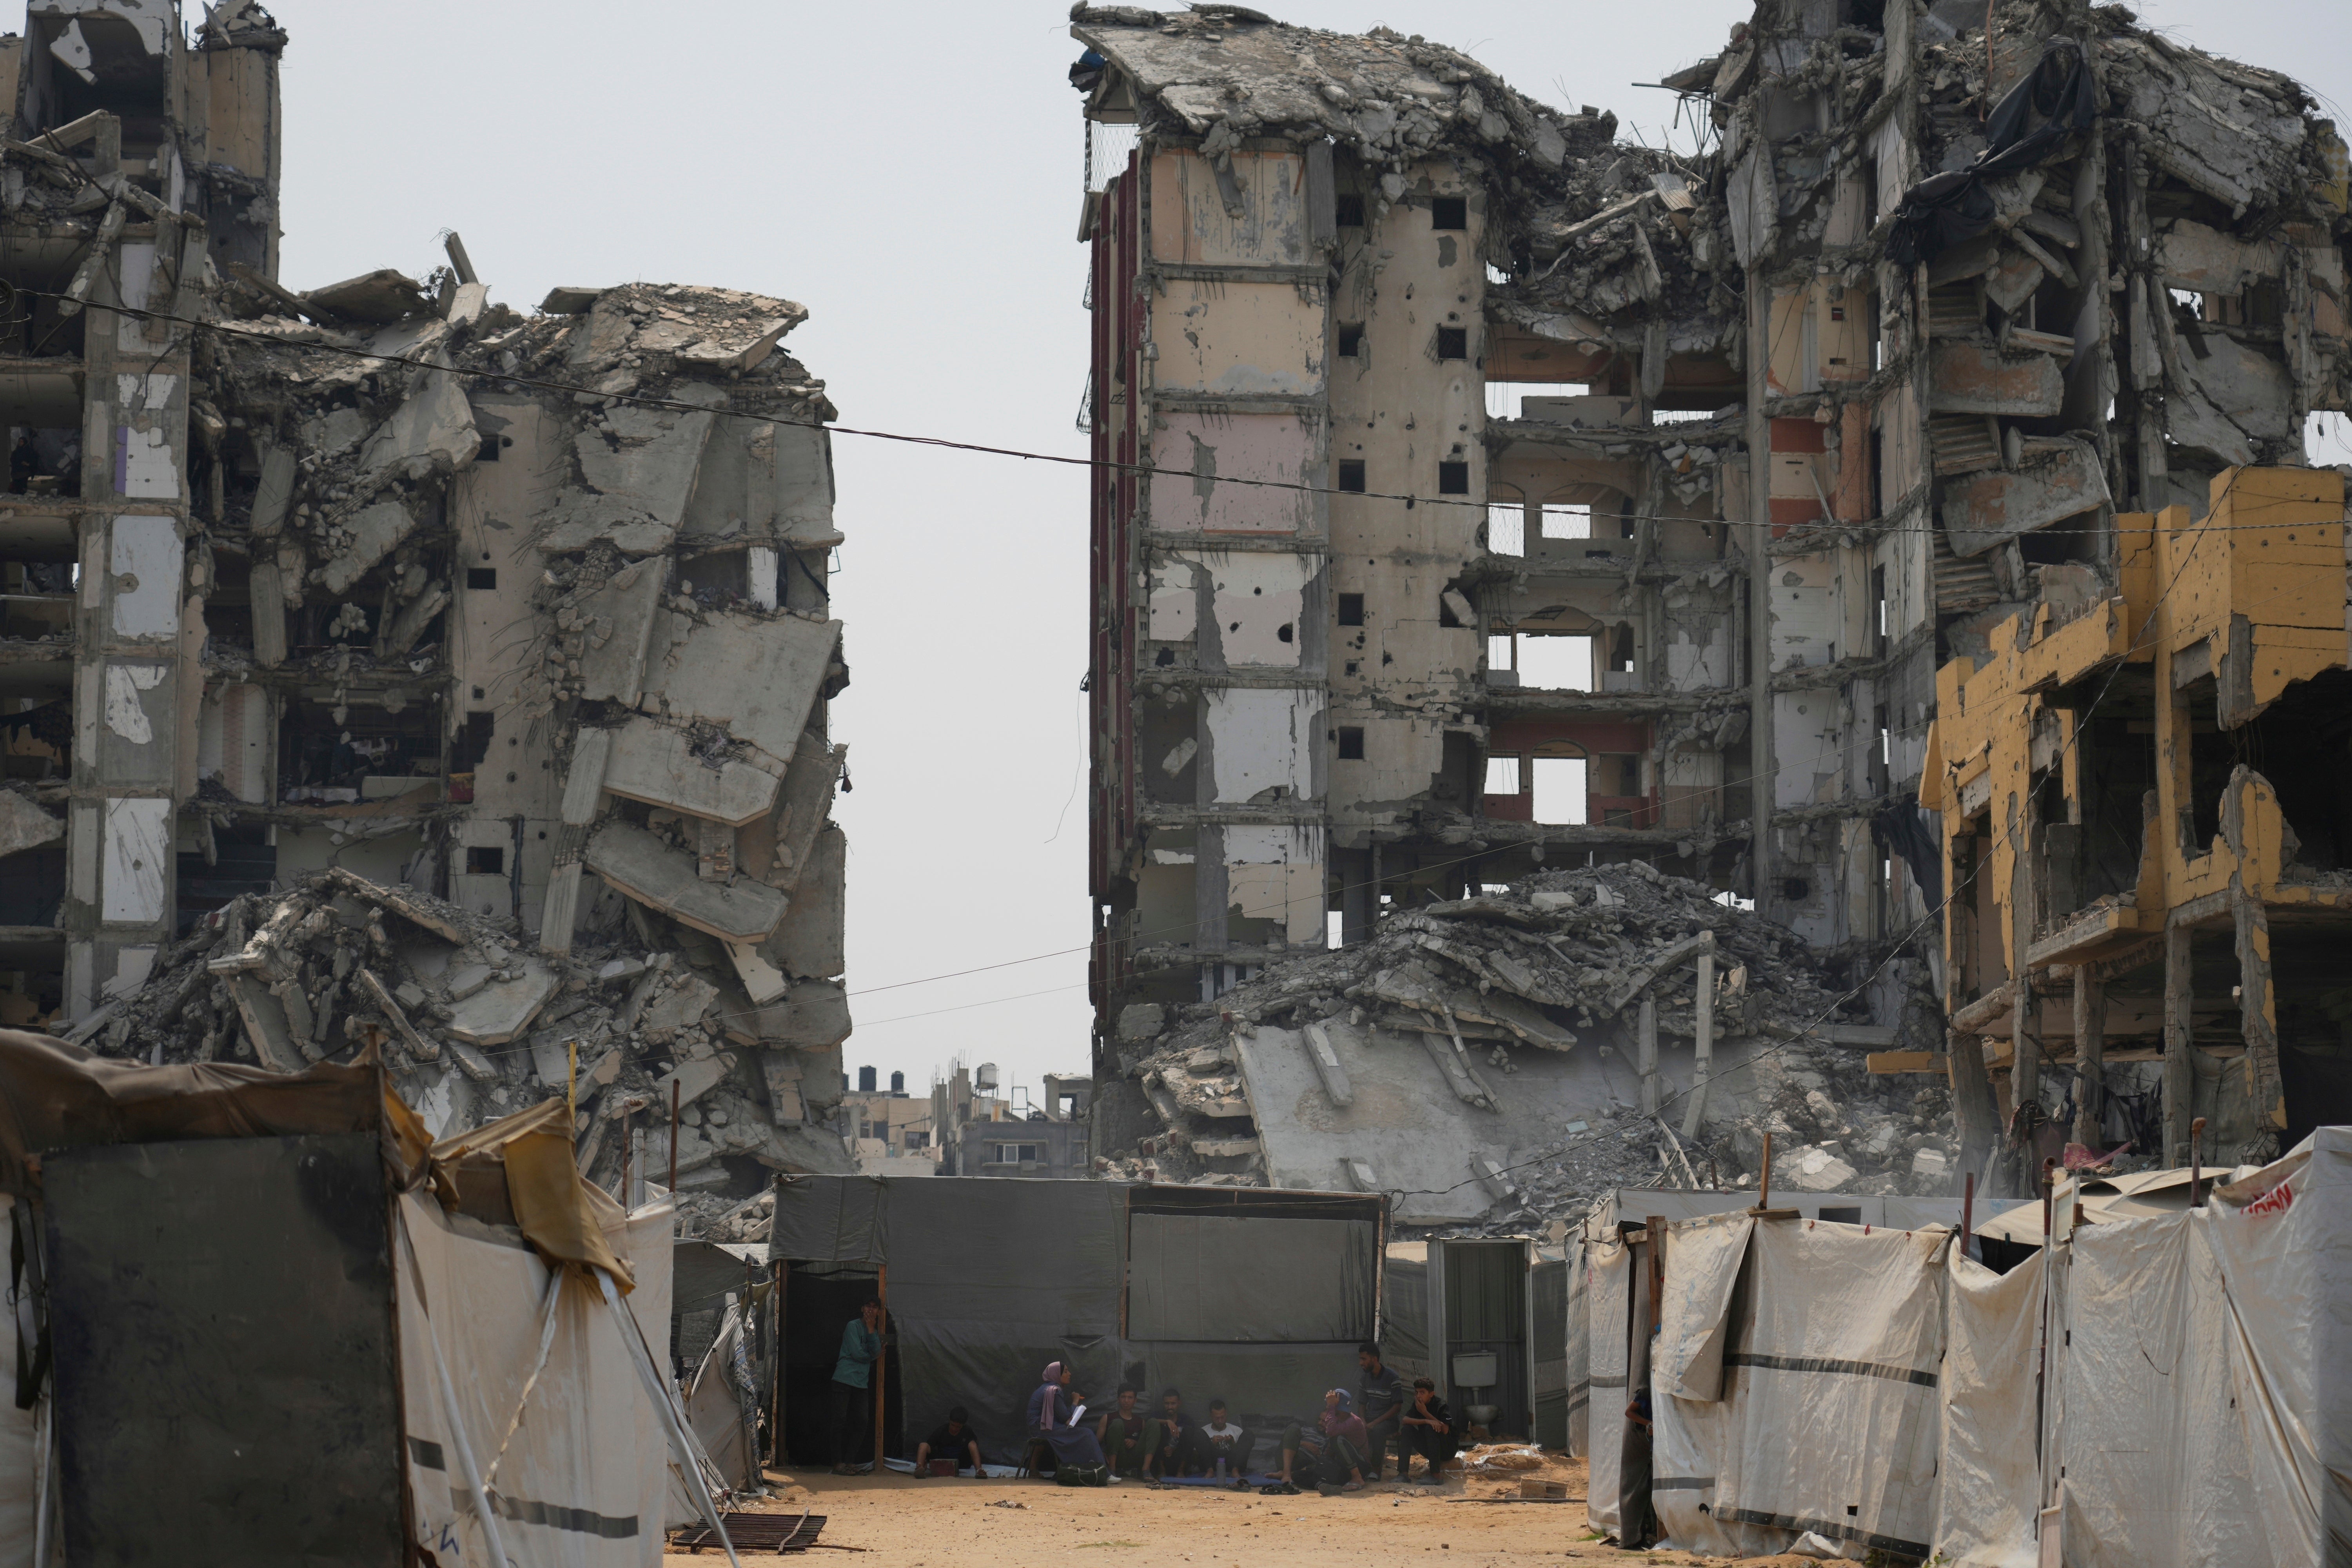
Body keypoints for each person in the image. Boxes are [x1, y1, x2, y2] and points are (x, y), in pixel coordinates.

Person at [1027, 1361, 1109, 1485]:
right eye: (1066, 1371)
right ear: (1056, 1375)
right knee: (1086, 1434)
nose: (1069, 1374)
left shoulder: (1047, 1388)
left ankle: (1092, 1471)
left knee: (1082, 1433)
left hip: (1040, 1427)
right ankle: (1104, 1473)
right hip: (1045, 1428)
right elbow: (1067, 1417)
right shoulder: (1054, 1390)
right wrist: (1075, 1401)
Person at [1274, 1388, 1369, 1493]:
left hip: (1360, 1466)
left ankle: (1357, 1478)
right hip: (1343, 1468)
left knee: (1337, 1440)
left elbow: (1331, 1432)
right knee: (1298, 1476)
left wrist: (1332, 1406)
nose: (1328, 1409)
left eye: (1330, 1406)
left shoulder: (1354, 1421)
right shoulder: (1337, 1421)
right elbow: (1329, 1450)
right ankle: (1323, 1486)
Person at [827, 1298, 882, 1475]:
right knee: (839, 1421)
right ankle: (837, 1463)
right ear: (862, 1308)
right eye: (868, 1306)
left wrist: (872, 1330)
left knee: (861, 1421)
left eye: (875, 1308)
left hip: (861, 1382)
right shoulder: (853, 1326)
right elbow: (860, 1354)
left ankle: (850, 1462)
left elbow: (875, 1351)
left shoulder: (874, 1330)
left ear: (879, 1312)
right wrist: (874, 1356)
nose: (871, 1310)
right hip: (844, 1378)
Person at [1356, 1341, 1408, 1480]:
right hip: (1369, 1418)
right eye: (1360, 1359)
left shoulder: (1392, 1378)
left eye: (1364, 1359)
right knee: (1352, 1426)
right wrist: (1362, 1420)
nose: (1361, 1363)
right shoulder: (1365, 1378)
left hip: (1388, 1421)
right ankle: (1358, 1467)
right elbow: (1362, 1404)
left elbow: (1397, 1407)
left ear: (1374, 1359)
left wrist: (1374, 1424)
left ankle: (1375, 1469)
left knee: (1377, 1431)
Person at [1399, 1378, 1458, 1483]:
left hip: (1447, 1450)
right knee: (1407, 1430)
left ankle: (1436, 1476)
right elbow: (1405, 1420)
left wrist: (1426, 1413)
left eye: (1422, 1393)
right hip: (1430, 1448)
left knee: (1430, 1429)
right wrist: (1426, 1420)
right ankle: (1403, 1474)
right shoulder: (1418, 1404)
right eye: (1417, 1392)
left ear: (1431, 1394)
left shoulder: (1441, 1405)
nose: (1418, 1396)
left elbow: (1445, 1430)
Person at [1096, 1386, 1161, 1479]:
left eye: (1130, 1398)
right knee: (1117, 1423)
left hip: (1136, 1458)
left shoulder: (1140, 1421)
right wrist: (1102, 1453)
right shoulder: (1108, 1418)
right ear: (1119, 1399)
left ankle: (1146, 1470)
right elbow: (1096, 1443)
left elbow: (1146, 1444)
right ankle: (1112, 1471)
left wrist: (1135, 1442)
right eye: (1123, 1397)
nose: (1126, 1401)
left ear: (1135, 1400)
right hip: (1117, 1457)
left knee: (1154, 1422)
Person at [914, 1407, 985, 1477]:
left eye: (958, 1427)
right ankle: (919, 1469)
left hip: (961, 1462)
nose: (954, 1429)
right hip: (943, 1461)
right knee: (923, 1445)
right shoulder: (941, 1431)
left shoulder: (967, 1431)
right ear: (949, 1420)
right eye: (953, 1425)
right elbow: (929, 1447)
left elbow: (974, 1446)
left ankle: (979, 1471)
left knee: (973, 1444)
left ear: (963, 1425)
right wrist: (925, 1461)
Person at [1192, 1399, 1250, 1478]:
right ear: (1211, 1416)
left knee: (1248, 1433)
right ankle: (1210, 1471)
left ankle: (1235, 1471)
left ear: (1226, 1414)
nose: (1220, 1421)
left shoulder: (1236, 1431)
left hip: (1231, 1463)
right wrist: (1211, 1444)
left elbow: (1243, 1453)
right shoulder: (1204, 1431)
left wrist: (1232, 1444)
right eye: (1217, 1418)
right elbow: (1195, 1457)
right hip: (1212, 1463)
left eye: (1222, 1417)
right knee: (1199, 1433)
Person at [1144, 1387, 1191, 1479]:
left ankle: (1181, 1472)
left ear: (1179, 1403)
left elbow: (1188, 1445)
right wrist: (1167, 1422)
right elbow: (1149, 1422)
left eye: (1173, 1404)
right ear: (1163, 1404)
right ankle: (1162, 1472)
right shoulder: (1158, 1415)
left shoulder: (1186, 1420)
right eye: (1167, 1404)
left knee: (1189, 1431)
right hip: (1160, 1458)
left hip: (1178, 1459)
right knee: (1159, 1427)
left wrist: (1173, 1450)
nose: (1170, 1407)